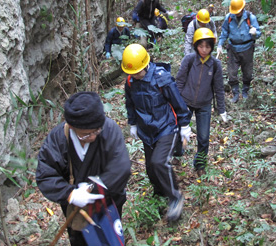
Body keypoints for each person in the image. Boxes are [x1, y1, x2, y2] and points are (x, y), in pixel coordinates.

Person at [36, 92, 131, 246]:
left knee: (110, 241)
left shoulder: (109, 129)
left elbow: (121, 167)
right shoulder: (58, 139)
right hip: (77, 209)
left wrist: (94, 189)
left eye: (96, 131)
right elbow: (45, 175)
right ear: (72, 127)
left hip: (107, 204)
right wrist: (70, 194)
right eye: (86, 135)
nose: (93, 137)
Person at [122, 43, 191, 222]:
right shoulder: (130, 82)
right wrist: (133, 124)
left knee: (159, 162)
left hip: (166, 127)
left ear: (145, 65)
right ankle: (159, 194)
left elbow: (178, 103)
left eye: (137, 72)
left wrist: (184, 126)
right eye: (132, 73)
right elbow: (130, 104)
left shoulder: (162, 78)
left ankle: (175, 197)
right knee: (151, 169)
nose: (135, 75)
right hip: (146, 130)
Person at [176, 28, 227, 177]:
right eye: (201, 46)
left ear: (212, 47)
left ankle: (200, 164)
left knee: (203, 137)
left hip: (204, 104)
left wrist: (222, 109)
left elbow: (219, 88)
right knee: (180, 132)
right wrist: (177, 103)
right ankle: (177, 156)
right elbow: (179, 82)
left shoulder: (215, 64)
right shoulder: (189, 60)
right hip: (186, 101)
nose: (204, 50)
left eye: (208, 46)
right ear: (195, 46)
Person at [217, 0, 261, 103]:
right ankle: (235, 94)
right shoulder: (229, 18)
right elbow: (224, 33)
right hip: (233, 48)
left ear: (243, 8)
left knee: (248, 72)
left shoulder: (251, 18)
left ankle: (245, 92)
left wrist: (255, 33)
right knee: (232, 72)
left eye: (238, 11)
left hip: (247, 48)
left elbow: (258, 34)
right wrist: (219, 45)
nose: (237, 13)